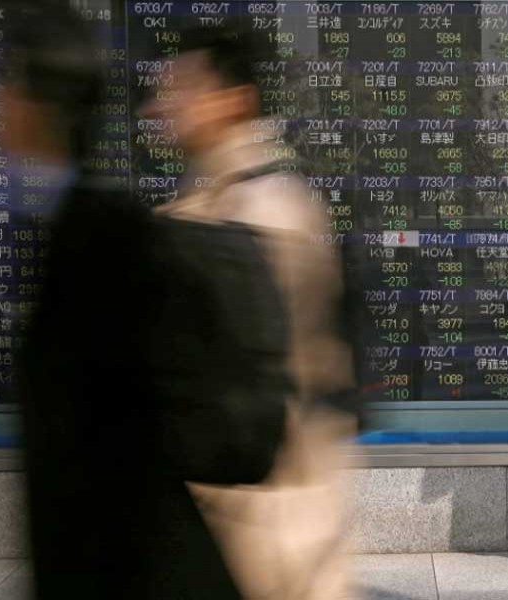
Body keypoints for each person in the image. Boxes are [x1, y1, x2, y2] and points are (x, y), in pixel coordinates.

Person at [12, 5, 287, 598]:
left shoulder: (113, 234)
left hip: (220, 547)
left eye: (182, 88)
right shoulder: (107, 223)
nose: (160, 107)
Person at [144, 25, 359, 600]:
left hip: (269, 514)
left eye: (183, 88)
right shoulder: (209, 195)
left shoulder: (263, 205)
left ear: (234, 99)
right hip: (236, 504)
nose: (163, 104)